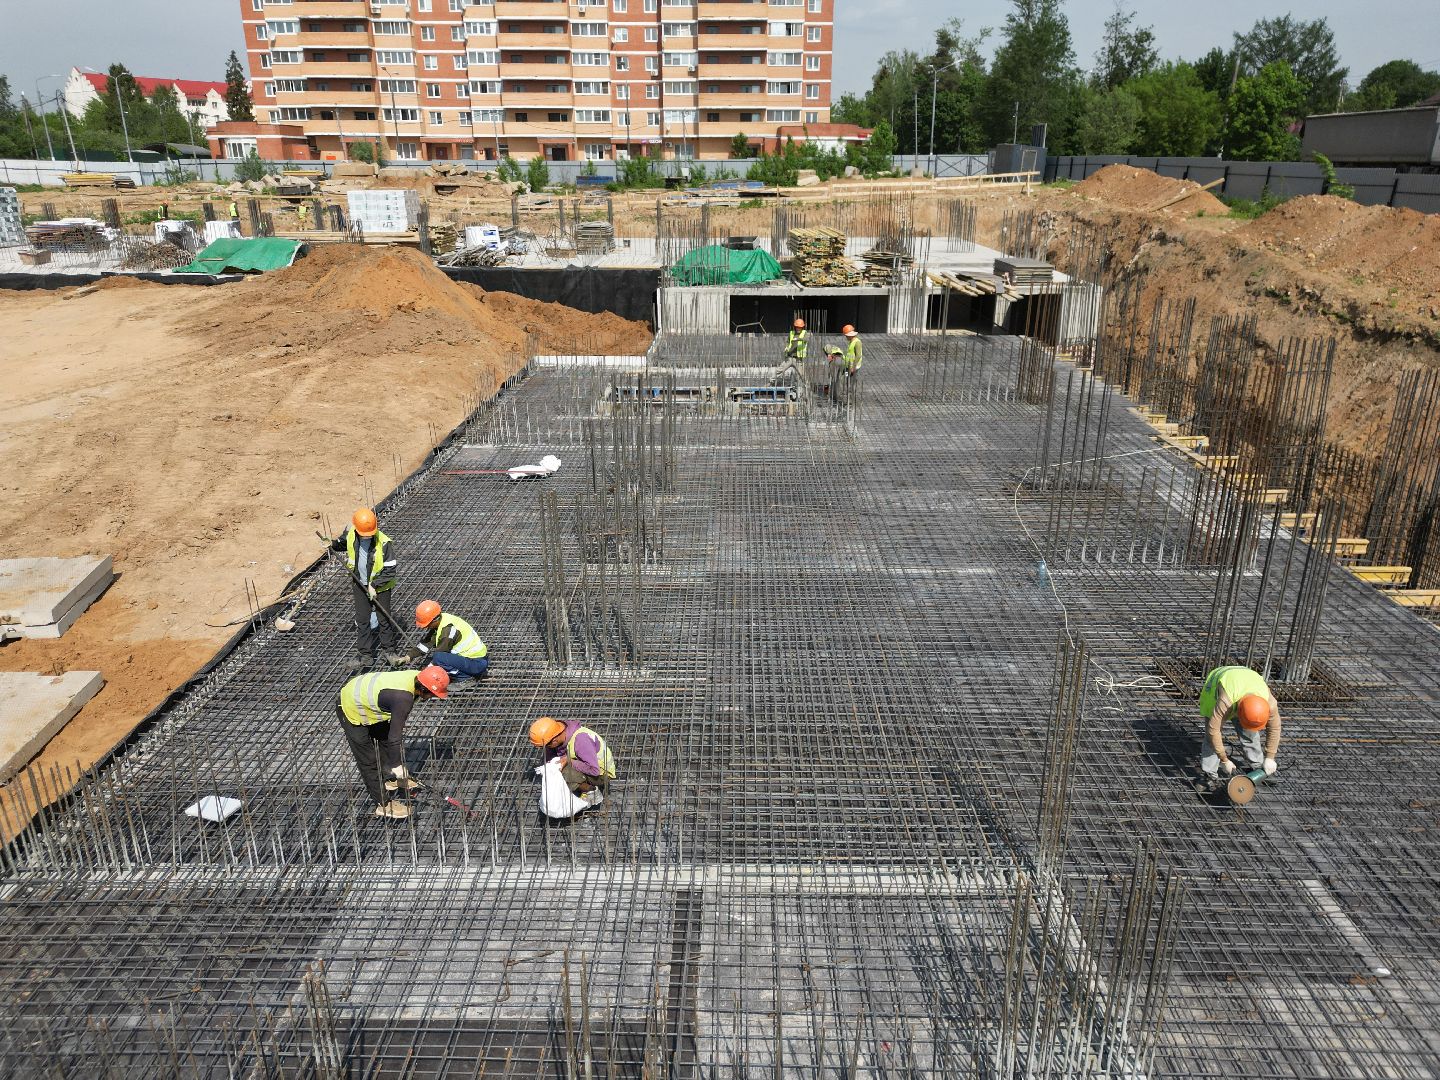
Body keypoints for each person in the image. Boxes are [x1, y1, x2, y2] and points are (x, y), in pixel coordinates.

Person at [336, 665, 449, 818]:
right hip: (350, 706)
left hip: (369, 702)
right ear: (423, 689)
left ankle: (390, 778)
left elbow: (391, 737)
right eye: (432, 694)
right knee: (368, 760)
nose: (431, 697)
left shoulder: (418, 678)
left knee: (384, 740)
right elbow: (395, 737)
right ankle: (383, 804)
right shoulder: (403, 698)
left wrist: (394, 767)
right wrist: (396, 765)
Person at [1194, 665, 1282, 795]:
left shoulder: (1269, 703)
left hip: (1244, 680)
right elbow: (1214, 731)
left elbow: (1275, 728)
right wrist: (1224, 759)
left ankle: (1257, 767)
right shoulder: (1226, 701)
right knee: (1210, 739)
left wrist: (1270, 757)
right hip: (1219, 684)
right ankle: (1209, 775)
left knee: (1250, 733)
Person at [339, 507, 400, 670]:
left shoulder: (384, 543)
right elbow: (342, 544)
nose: (367, 536)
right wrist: (331, 543)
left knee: (384, 619)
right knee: (362, 620)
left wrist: (374, 585)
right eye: (364, 534)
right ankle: (365, 656)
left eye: (369, 534)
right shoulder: (352, 534)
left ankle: (390, 652)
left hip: (381, 587)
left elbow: (390, 570)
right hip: (360, 584)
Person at [528, 716, 616, 807]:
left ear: (554, 741)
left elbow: (594, 770)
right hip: (587, 763)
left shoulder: (581, 741)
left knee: (562, 771)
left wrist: (569, 761)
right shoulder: (560, 733)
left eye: (546, 746)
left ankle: (591, 791)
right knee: (553, 766)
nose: (545, 748)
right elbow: (549, 754)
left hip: (601, 774)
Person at [413, 600, 489, 685]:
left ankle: (465, 678)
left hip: (476, 663)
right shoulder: (443, 620)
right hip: (474, 660)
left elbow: (438, 658)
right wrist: (408, 657)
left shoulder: (447, 631)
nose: (426, 627)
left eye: (427, 624)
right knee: (439, 659)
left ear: (435, 620)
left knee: (438, 658)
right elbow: (428, 642)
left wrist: (424, 673)